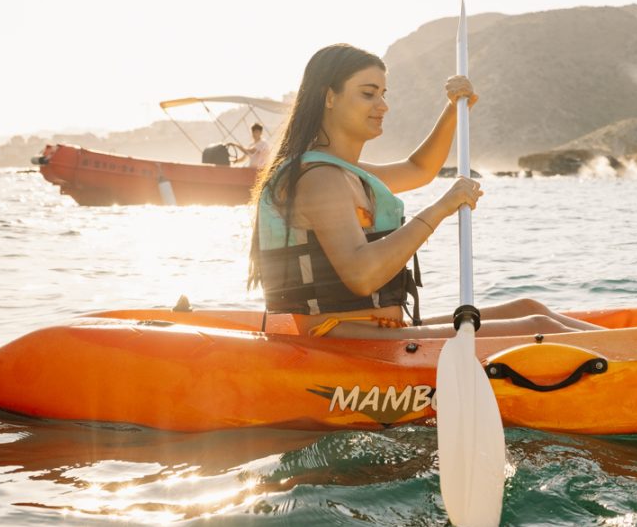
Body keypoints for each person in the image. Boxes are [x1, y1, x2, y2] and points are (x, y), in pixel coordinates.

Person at [247, 43, 601, 339]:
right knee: (537, 326)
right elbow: (362, 275)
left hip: (380, 333)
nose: (382, 106)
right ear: (329, 97)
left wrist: (455, 109)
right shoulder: (319, 178)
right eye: (368, 94)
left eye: (384, 94)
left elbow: (420, 170)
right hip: (345, 344)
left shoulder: (343, 174)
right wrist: (442, 208)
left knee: (530, 310)